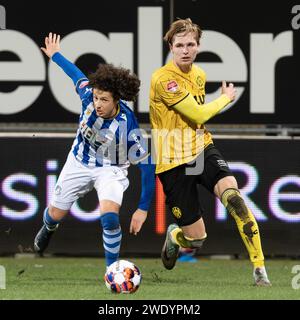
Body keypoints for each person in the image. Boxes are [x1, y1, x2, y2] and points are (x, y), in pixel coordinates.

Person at [149, 19, 271, 286]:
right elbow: (198, 112)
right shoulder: (163, 80)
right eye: (179, 45)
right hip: (172, 163)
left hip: (201, 149)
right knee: (196, 239)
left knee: (234, 198)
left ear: (198, 46)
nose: (185, 50)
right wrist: (225, 97)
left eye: (190, 44)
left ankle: (260, 269)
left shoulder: (200, 75)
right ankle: (175, 237)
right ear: (170, 47)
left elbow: (199, 121)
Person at [34, 32, 155, 268]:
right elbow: (75, 75)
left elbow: (148, 166)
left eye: (104, 100)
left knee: (109, 218)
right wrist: (56, 55)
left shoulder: (128, 126)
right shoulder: (88, 95)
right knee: (54, 215)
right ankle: (48, 227)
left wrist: (142, 209)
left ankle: (112, 270)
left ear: (117, 99)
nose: (98, 103)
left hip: (111, 169)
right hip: (79, 162)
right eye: (97, 97)